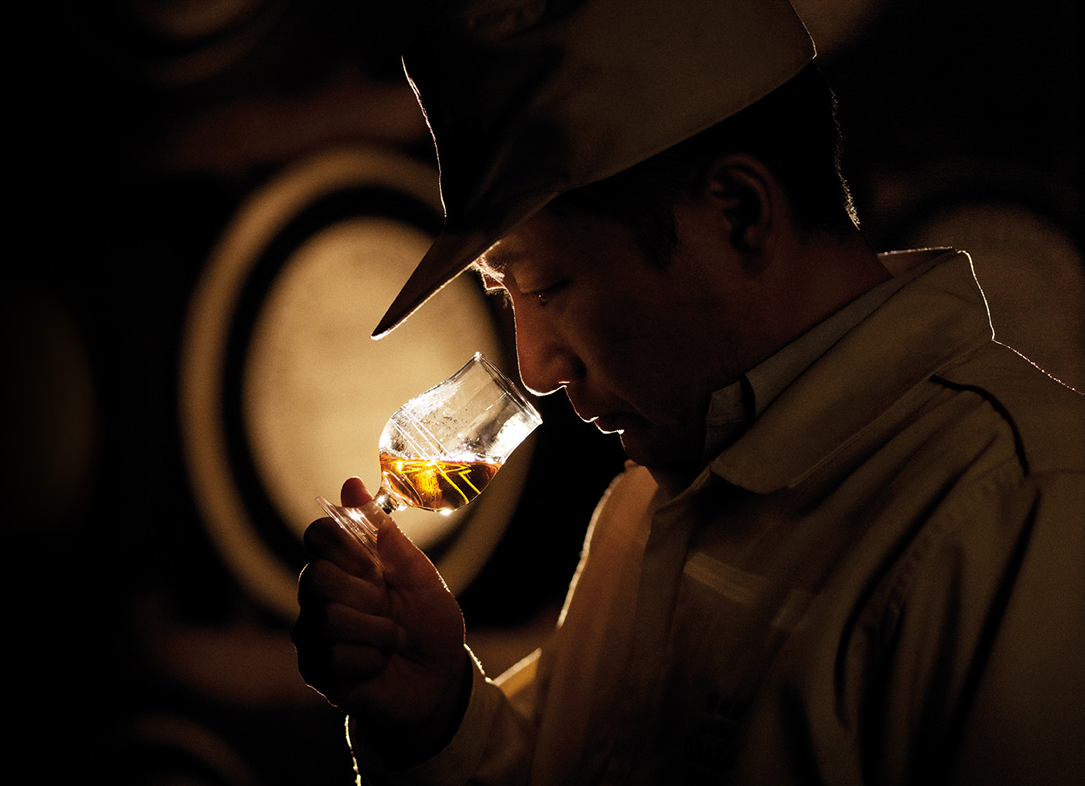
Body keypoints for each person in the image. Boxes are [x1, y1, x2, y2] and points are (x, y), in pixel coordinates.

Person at [287, 1, 1085, 783]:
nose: (535, 368)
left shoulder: (1020, 514)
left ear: (737, 214)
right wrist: (437, 717)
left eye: (550, 284)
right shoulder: (641, 510)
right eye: (507, 295)